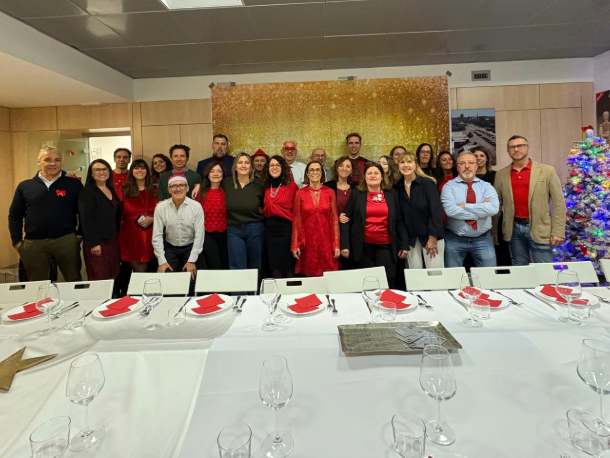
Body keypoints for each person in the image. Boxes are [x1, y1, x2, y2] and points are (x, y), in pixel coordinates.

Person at [9, 146, 83, 281]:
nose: (52, 163)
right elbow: (15, 215)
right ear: (39, 162)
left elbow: (84, 212)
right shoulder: (25, 186)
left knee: (74, 280)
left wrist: (79, 235)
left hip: (66, 240)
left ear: (61, 162)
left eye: (57, 160)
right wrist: (16, 241)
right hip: (34, 242)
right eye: (47, 160)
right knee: (37, 283)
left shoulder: (74, 184)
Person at [493, 135, 566, 265]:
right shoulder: (501, 174)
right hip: (513, 229)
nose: (516, 149)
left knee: (544, 269)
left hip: (540, 227)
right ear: (508, 150)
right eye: (512, 147)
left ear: (527, 148)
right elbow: (497, 205)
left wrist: (558, 231)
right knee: (521, 269)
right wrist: (494, 230)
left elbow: (559, 203)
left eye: (520, 146)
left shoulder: (547, 171)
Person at [341, 163, 408, 288]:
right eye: (369, 173)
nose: (373, 176)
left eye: (376, 173)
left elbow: (398, 220)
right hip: (362, 247)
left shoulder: (391, 194)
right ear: (365, 177)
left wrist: (404, 244)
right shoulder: (357, 194)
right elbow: (346, 219)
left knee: (387, 281)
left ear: (382, 177)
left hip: (386, 245)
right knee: (366, 282)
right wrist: (345, 245)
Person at [441, 152, 499, 267]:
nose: (467, 166)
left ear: (476, 166)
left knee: (489, 275)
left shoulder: (486, 186)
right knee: (453, 276)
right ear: (457, 167)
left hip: (483, 239)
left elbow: (493, 209)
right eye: (462, 163)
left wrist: (464, 205)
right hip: (455, 239)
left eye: (471, 163)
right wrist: (481, 211)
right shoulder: (448, 186)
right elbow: (450, 211)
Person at [395, 152, 445, 269]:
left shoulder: (427, 183)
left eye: (409, 162)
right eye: (402, 162)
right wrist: (404, 242)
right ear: (398, 166)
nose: (405, 165)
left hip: (430, 236)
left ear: (415, 165)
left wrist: (433, 237)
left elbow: (436, 212)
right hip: (411, 239)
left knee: (435, 274)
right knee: (415, 275)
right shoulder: (398, 188)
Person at [292, 161, 340, 277]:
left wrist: (336, 245)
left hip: (327, 241)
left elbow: (334, 221)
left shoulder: (330, 192)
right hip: (308, 242)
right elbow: (297, 221)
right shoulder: (300, 193)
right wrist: (295, 245)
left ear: (322, 173)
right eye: (312, 170)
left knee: (329, 275)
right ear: (307, 173)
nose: (315, 172)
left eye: (318, 170)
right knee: (311, 275)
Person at [152, 175, 204, 279]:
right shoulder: (160, 208)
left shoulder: (196, 207)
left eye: (181, 185)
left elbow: (199, 236)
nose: (178, 189)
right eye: (173, 186)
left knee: (190, 278)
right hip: (170, 247)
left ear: (187, 188)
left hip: (190, 247)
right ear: (169, 190)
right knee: (166, 277)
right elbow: (157, 236)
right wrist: (161, 260)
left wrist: (191, 260)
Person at [78, 159, 122, 281]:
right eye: (97, 170)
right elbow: (86, 218)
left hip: (112, 239)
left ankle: (112, 294)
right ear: (91, 174)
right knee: (99, 275)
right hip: (97, 241)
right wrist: (94, 243)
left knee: (113, 272)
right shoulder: (87, 191)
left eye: (104, 169)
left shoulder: (110, 189)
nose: (101, 172)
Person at [222, 152, 265, 271]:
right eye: (240, 162)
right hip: (234, 229)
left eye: (246, 162)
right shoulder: (226, 182)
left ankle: (254, 285)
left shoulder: (259, 183)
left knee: (255, 265)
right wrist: (197, 186)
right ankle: (239, 285)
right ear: (235, 166)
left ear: (251, 166)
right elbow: (210, 183)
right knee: (236, 266)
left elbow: (265, 203)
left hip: (255, 227)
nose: (243, 165)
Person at [263, 155, 298, 278]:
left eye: (278, 165)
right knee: (275, 267)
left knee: (289, 267)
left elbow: (297, 210)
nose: (274, 167)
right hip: (270, 231)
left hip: (286, 230)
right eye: (272, 165)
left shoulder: (292, 186)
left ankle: (291, 290)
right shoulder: (265, 186)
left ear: (283, 167)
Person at [119, 160, 157, 273]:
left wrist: (153, 218)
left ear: (147, 171)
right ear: (132, 171)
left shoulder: (155, 190)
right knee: (138, 268)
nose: (140, 170)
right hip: (131, 234)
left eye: (143, 168)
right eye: (136, 168)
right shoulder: (123, 190)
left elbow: (164, 211)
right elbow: (117, 212)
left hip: (153, 232)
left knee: (153, 268)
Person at [199, 163, 229, 270]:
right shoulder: (200, 193)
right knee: (214, 264)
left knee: (226, 263)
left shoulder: (228, 191)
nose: (215, 174)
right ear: (207, 174)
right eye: (212, 171)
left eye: (219, 171)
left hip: (226, 233)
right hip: (207, 233)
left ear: (223, 174)